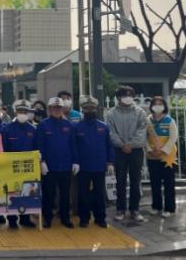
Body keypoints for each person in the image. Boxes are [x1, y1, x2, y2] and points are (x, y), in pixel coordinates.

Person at [106, 85, 148, 222]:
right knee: (120, 181)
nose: (128, 98)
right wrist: (122, 144)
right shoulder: (111, 114)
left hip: (136, 150)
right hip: (119, 151)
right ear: (118, 97)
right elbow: (110, 132)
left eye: (130, 95)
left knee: (136, 181)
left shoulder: (140, 112)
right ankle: (120, 210)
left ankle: (135, 209)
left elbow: (142, 130)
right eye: (125, 95)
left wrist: (131, 144)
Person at [36, 97, 78, 229]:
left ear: (62, 109)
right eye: (54, 108)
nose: (57, 110)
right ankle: (47, 218)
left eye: (59, 108)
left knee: (65, 194)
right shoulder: (43, 125)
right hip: (49, 167)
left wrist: (75, 162)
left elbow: (73, 145)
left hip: (65, 166)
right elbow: (39, 145)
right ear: (49, 109)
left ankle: (65, 218)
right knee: (48, 194)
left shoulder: (69, 125)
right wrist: (41, 161)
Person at [74, 96, 114, 228]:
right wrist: (75, 162)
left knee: (99, 193)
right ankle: (84, 218)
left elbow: (109, 145)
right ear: (82, 110)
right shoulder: (77, 127)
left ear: (96, 109)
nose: (89, 110)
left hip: (99, 166)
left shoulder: (104, 126)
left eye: (92, 108)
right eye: (87, 108)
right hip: (83, 166)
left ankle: (100, 218)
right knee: (83, 193)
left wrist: (110, 162)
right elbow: (74, 147)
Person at [1, 100, 37, 229]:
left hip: (28, 168)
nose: (22, 113)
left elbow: (36, 148)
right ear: (15, 112)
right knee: (12, 193)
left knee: (27, 192)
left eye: (25, 111)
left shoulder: (32, 129)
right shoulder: (7, 129)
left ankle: (25, 218)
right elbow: (3, 148)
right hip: (11, 168)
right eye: (20, 111)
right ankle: (12, 219)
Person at [145, 96, 178, 218]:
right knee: (155, 183)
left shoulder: (169, 120)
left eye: (160, 104)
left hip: (168, 157)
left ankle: (169, 208)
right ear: (151, 106)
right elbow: (144, 138)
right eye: (155, 104)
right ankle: (156, 206)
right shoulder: (147, 121)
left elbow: (173, 137)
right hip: (152, 156)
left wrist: (163, 150)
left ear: (164, 106)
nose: (157, 106)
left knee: (169, 183)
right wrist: (149, 150)